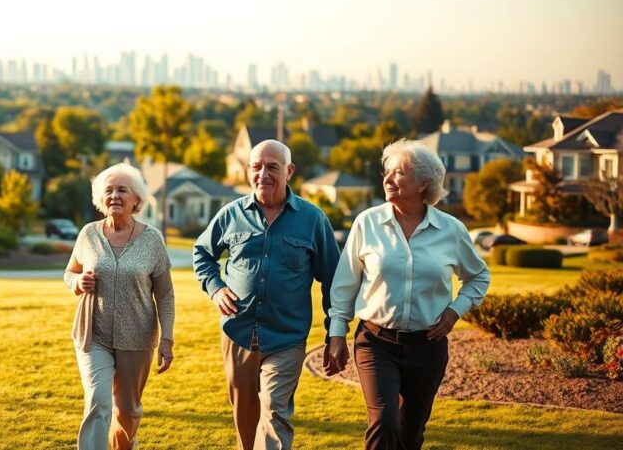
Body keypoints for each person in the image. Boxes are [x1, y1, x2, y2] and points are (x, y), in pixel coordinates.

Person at [325, 139, 490, 450]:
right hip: (376, 342)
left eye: (399, 173)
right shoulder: (367, 223)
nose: (387, 179)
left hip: (427, 348)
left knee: (410, 433)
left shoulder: (451, 230)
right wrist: (336, 335)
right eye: (386, 172)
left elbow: (478, 275)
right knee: (384, 422)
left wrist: (455, 311)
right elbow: (344, 285)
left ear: (424, 182)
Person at [193, 139, 340, 450]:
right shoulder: (231, 214)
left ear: (289, 171)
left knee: (275, 413)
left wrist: (335, 335)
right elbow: (202, 254)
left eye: (272, 167)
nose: (263, 174)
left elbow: (333, 281)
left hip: (286, 338)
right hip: (237, 334)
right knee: (245, 418)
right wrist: (216, 288)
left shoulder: (313, 220)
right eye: (256, 167)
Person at [64, 162, 175, 450]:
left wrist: (167, 338)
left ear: (136, 199)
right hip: (93, 334)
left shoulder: (152, 240)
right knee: (98, 401)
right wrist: (78, 283)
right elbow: (69, 273)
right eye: (108, 190)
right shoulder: (89, 234)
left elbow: (165, 294)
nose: (114, 195)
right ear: (101, 198)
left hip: (137, 338)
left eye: (121, 190)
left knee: (128, 412)